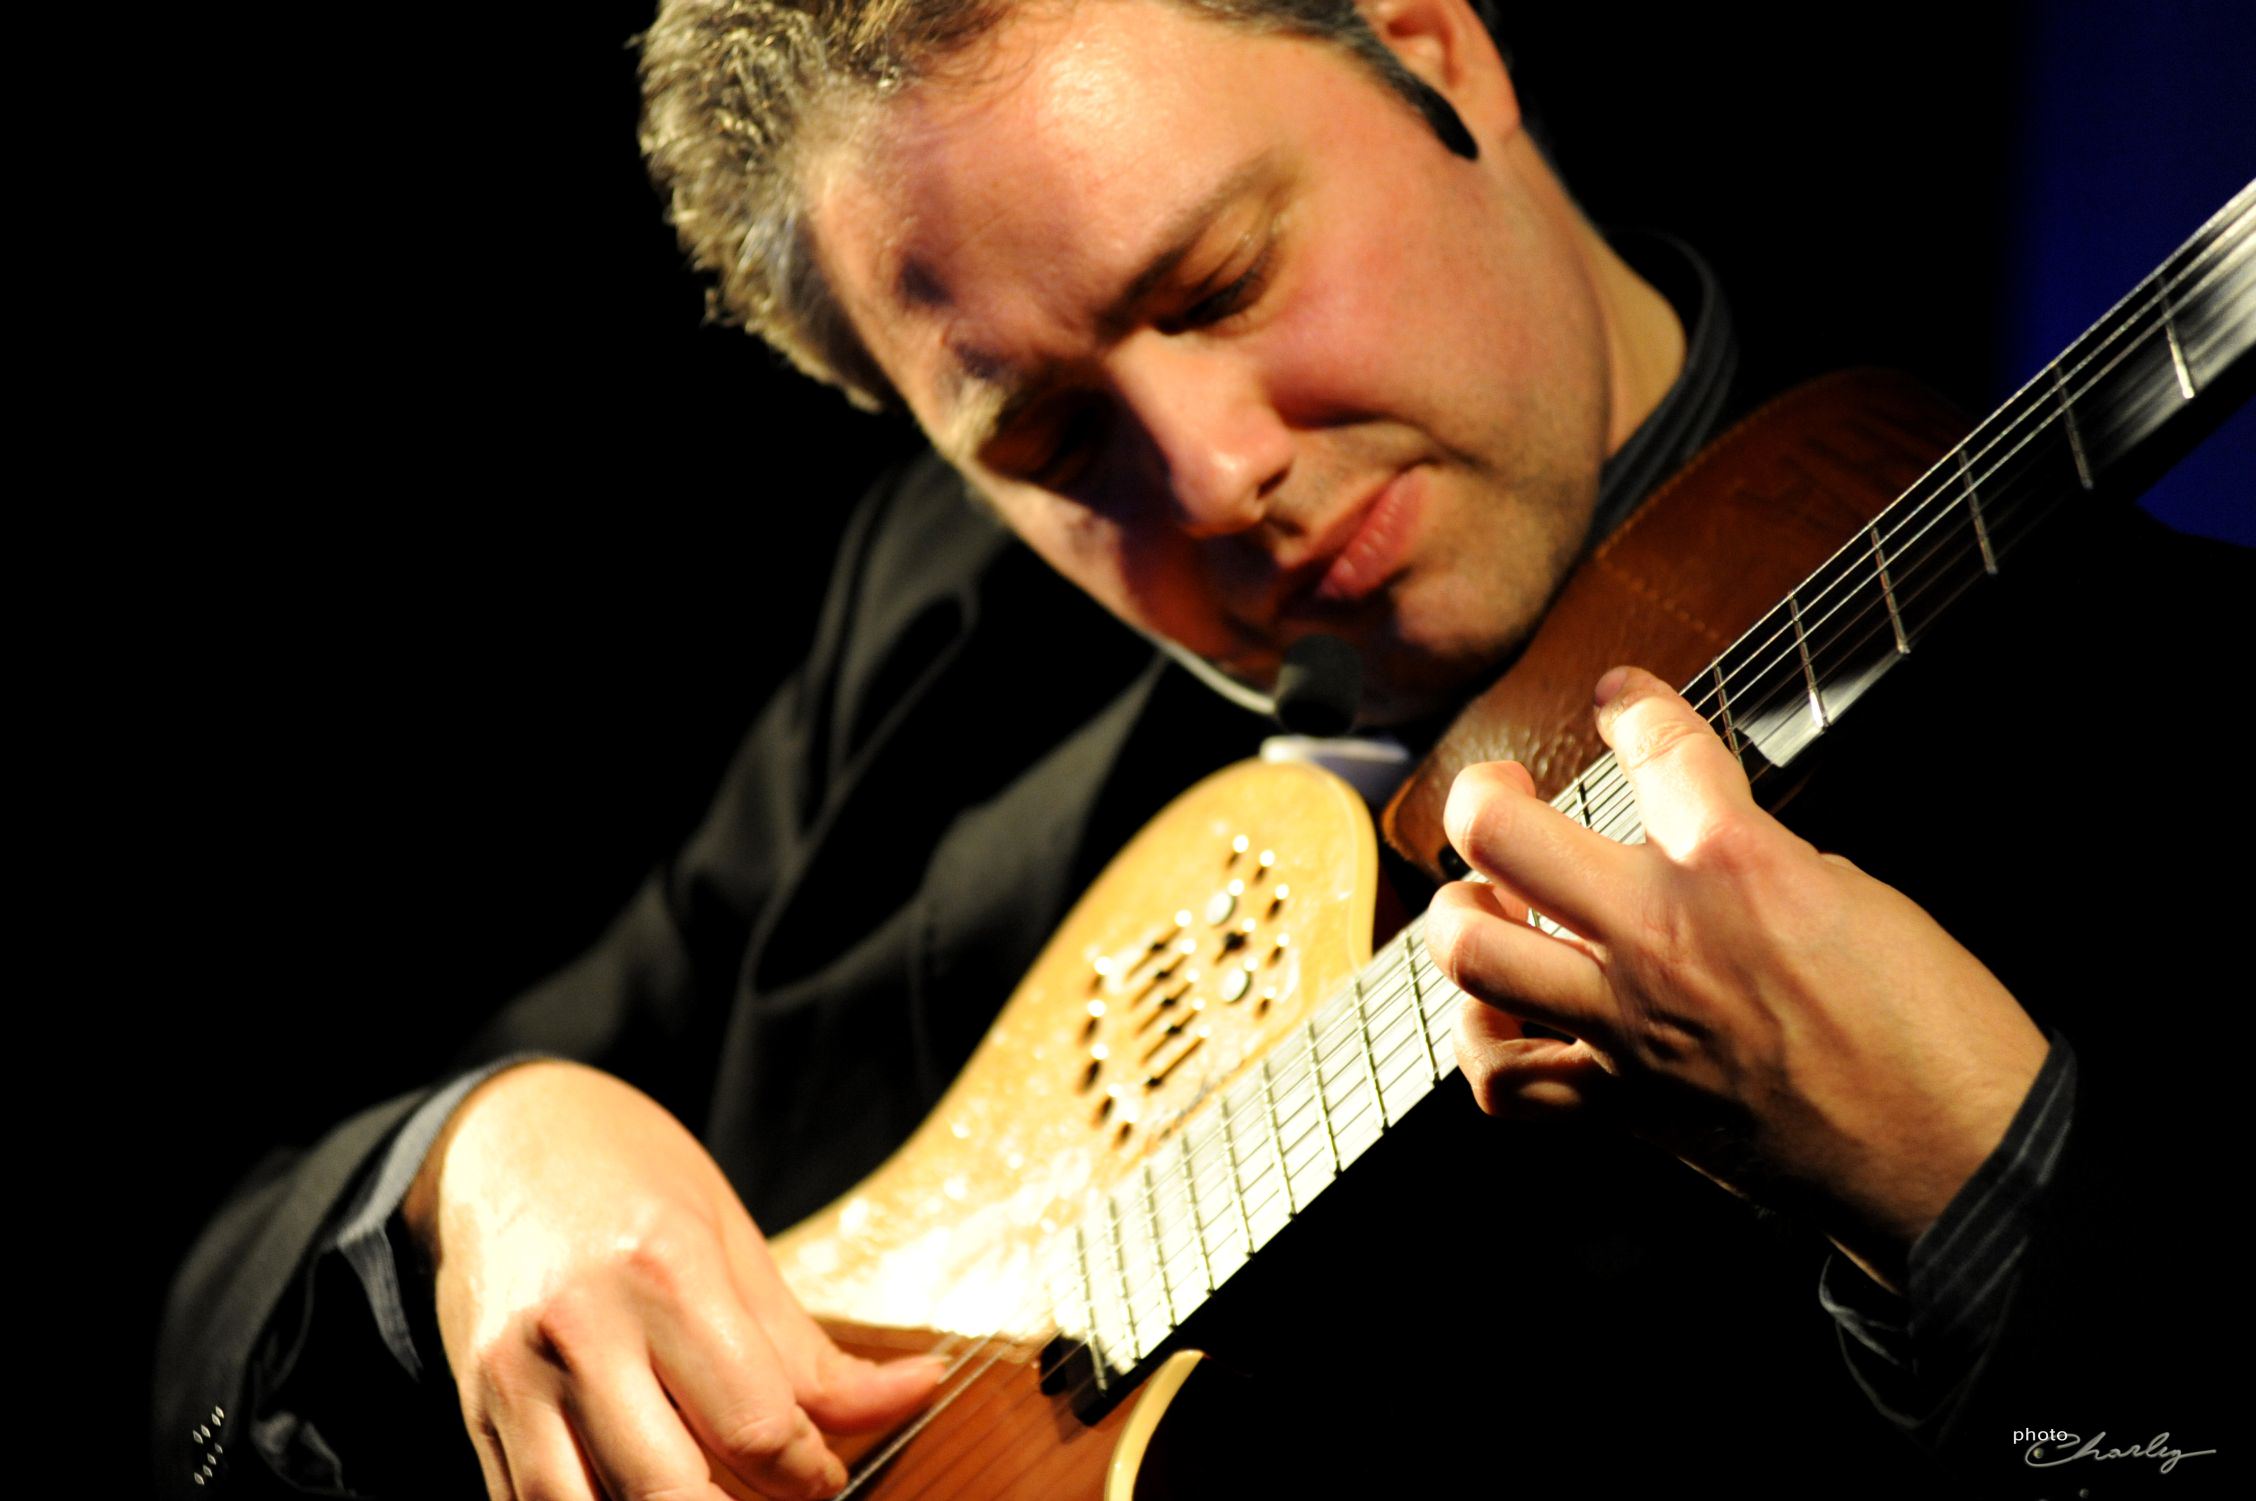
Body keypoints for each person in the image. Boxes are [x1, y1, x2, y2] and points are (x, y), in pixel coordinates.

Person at [156, 1, 2243, 1497]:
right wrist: (475, 1166)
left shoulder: (2143, 714)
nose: (1216, 468)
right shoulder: (941, 637)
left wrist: (1971, 1178)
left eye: (1225, 279)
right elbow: (211, 1279)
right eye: (1051, 439)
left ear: (1435, 52)